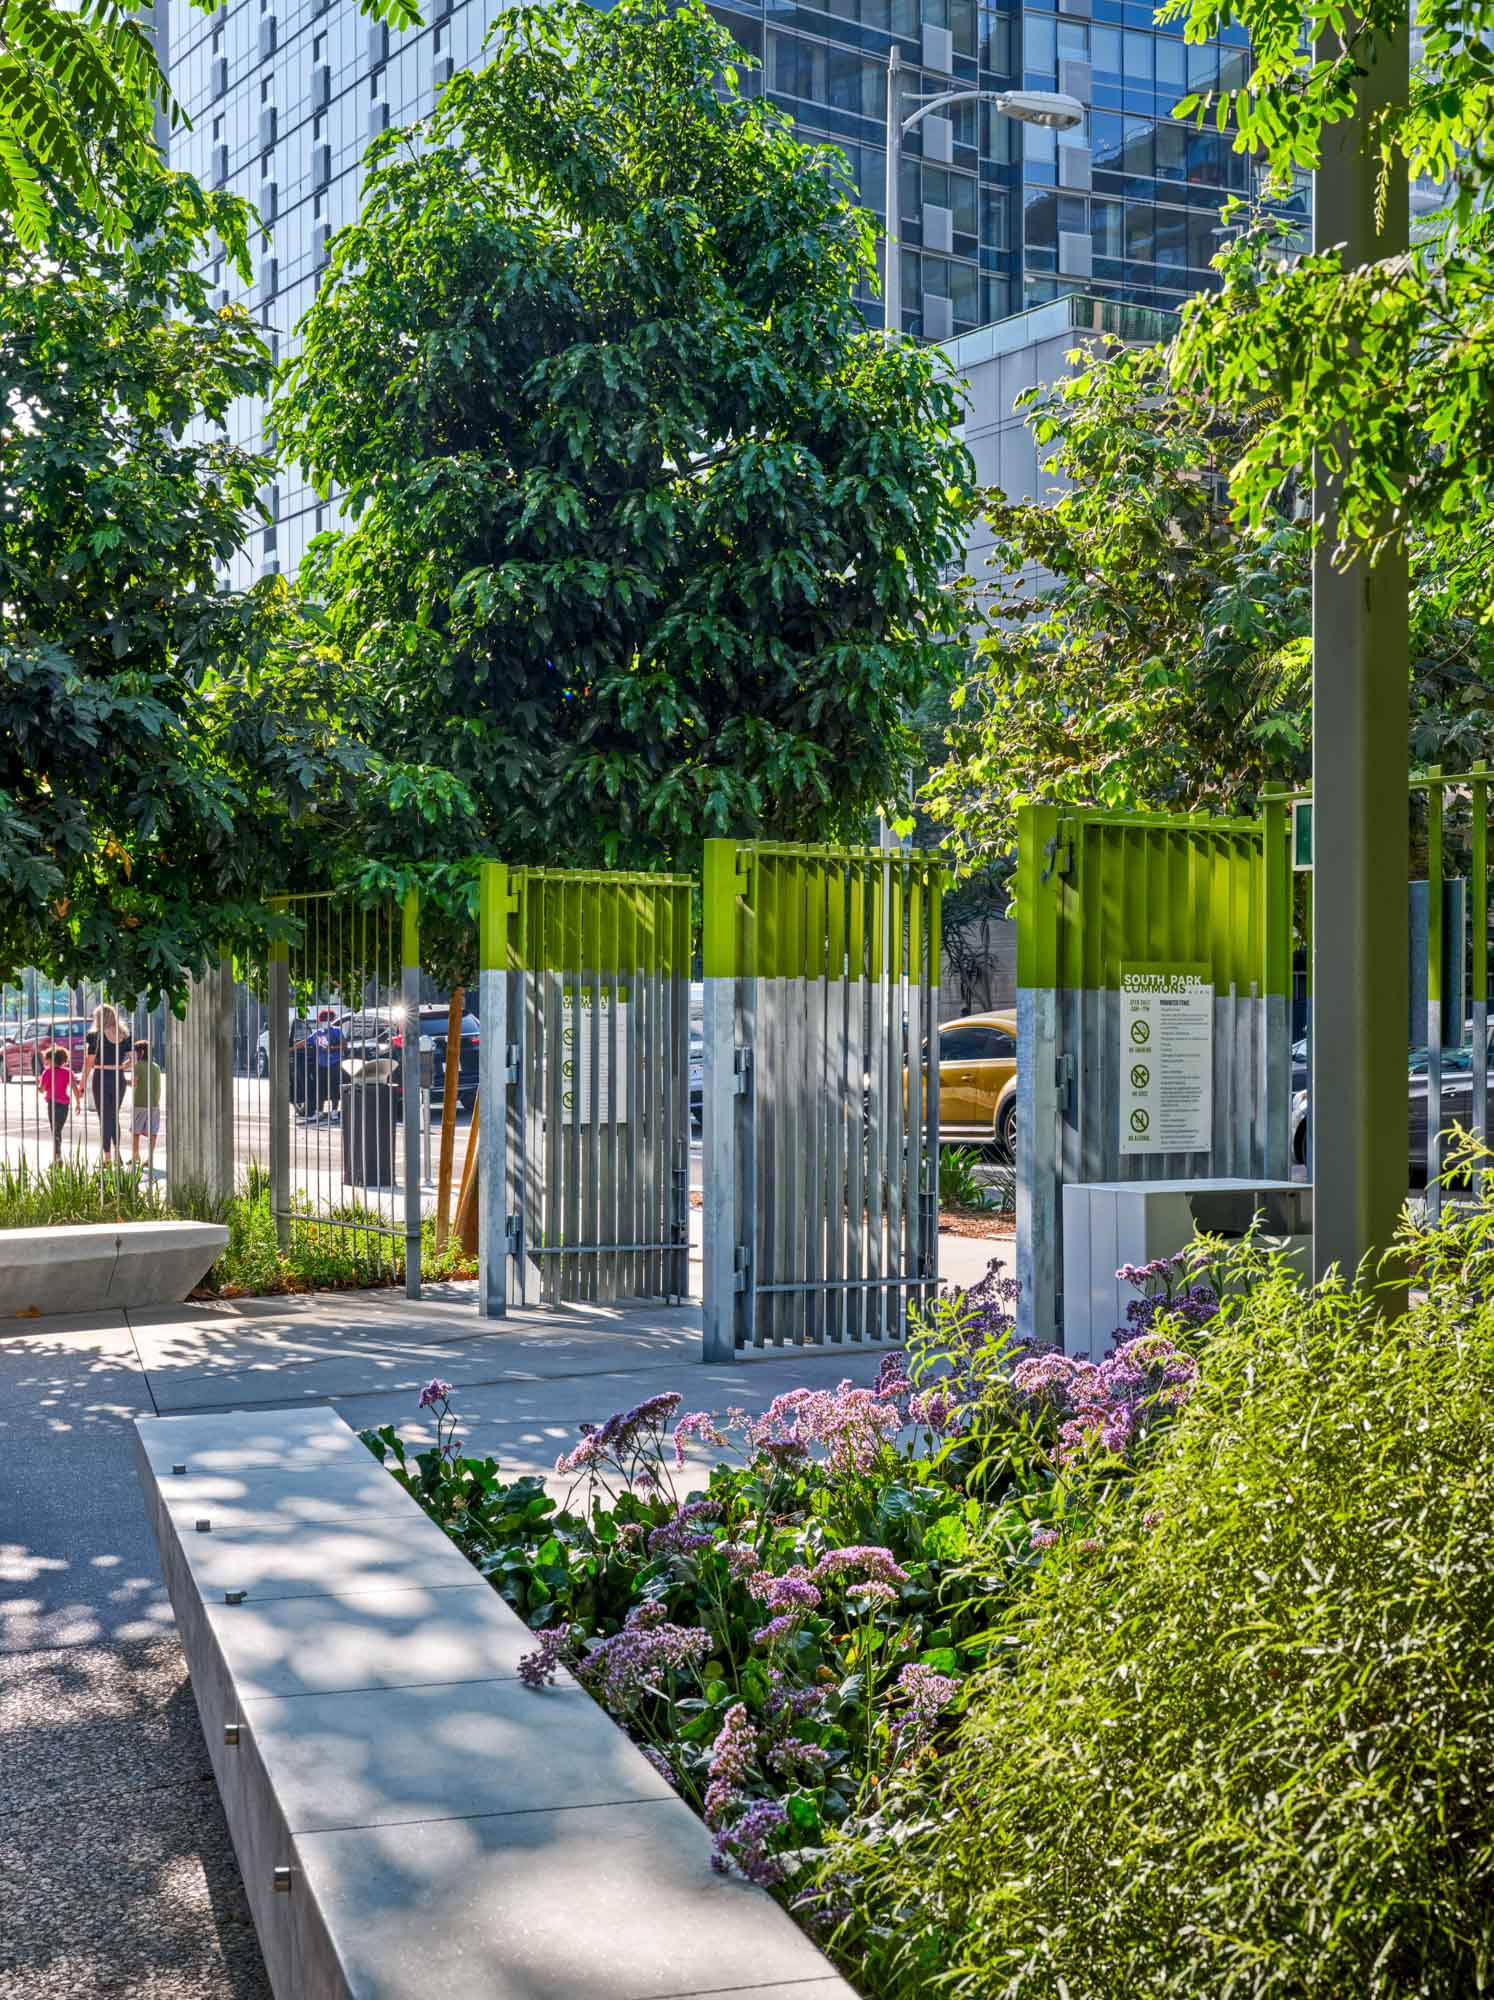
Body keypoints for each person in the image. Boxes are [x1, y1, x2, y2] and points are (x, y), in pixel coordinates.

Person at [78, 1002, 132, 1165]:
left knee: (104, 1118)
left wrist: (81, 1083)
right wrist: (122, 1066)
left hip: (101, 1076)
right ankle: (117, 1154)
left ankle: (107, 1157)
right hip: (118, 1077)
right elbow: (133, 1058)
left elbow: (89, 1063)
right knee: (113, 1116)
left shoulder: (95, 1036)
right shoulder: (124, 1034)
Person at [130, 1039, 164, 1173]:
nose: (135, 1054)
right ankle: (149, 1158)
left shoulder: (138, 1066)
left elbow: (134, 1083)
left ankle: (135, 1155)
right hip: (154, 1104)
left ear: (142, 1052)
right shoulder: (156, 1067)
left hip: (140, 1103)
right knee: (153, 1132)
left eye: (136, 1052)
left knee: (136, 1131)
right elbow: (158, 1088)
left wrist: (124, 1082)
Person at [38, 1045, 72, 1162]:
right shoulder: (68, 1072)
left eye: (46, 1059)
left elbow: (42, 1089)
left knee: (55, 1130)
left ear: (51, 1060)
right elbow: (75, 1088)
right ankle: (57, 1155)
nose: (45, 1061)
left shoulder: (47, 1073)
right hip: (65, 1104)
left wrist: (39, 1083)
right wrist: (78, 1102)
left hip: (53, 1103)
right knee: (58, 1129)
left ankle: (57, 1156)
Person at [311, 1007, 344, 1121]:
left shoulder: (337, 1031)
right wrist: (291, 1049)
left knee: (334, 1088)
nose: (325, 1022)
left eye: (327, 1019)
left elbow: (344, 1046)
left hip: (334, 1064)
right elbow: (306, 1041)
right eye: (323, 1020)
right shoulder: (318, 1033)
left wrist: (332, 1047)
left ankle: (334, 1112)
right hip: (321, 1064)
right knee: (320, 1088)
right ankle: (319, 1112)